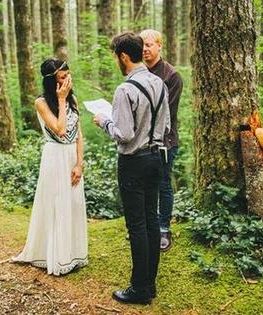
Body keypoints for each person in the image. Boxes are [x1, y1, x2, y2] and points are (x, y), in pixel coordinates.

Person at [93, 32, 170, 304]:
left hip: (133, 162)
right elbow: (167, 127)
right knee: (151, 222)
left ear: (123, 56)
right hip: (156, 159)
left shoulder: (125, 89)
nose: (116, 60)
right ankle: (150, 285)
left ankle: (139, 289)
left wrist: (104, 122)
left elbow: (124, 133)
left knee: (137, 225)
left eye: (116, 56)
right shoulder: (160, 83)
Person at [12, 58, 88, 276]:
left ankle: (74, 254)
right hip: (55, 157)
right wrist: (61, 100)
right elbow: (60, 129)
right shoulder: (41, 102)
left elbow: (78, 134)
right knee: (57, 204)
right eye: (62, 77)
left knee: (73, 204)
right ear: (51, 81)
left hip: (71, 157)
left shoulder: (72, 98)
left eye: (68, 75)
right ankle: (56, 256)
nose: (67, 80)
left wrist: (79, 164)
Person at [140, 29, 183, 252]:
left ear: (159, 46)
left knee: (163, 183)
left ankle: (164, 229)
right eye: (142, 46)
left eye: (149, 45)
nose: (145, 49)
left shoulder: (171, 75)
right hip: (142, 141)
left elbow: (167, 113)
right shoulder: (138, 72)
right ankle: (148, 229)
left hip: (165, 141)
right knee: (146, 184)